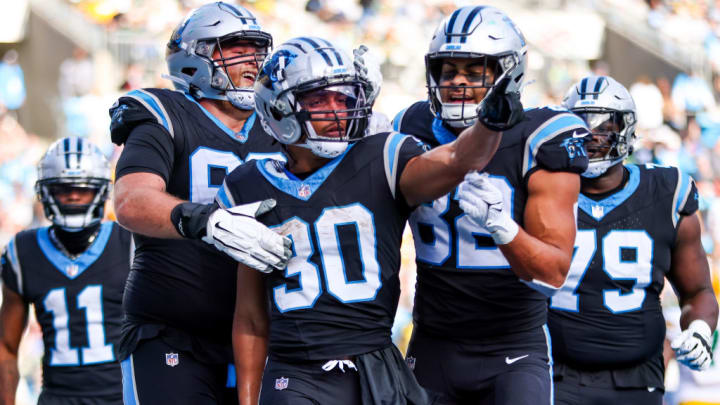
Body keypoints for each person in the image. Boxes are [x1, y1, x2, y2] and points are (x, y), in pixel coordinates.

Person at [222, 35, 522, 405]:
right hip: (297, 372)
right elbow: (250, 318)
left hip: (377, 367)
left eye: (344, 98)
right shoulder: (249, 184)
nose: (336, 111)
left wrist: (490, 124)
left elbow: (458, 160)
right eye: (319, 100)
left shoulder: (382, 157)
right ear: (280, 109)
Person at [392, 6, 590, 405]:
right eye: (448, 71)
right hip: (433, 342)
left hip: (513, 349)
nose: (458, 82)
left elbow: (553, 272)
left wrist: (504, 228)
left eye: (475, 71)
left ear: (508, 74)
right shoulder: (407, 127)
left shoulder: (541, 136)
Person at [108, 3, 288, 404]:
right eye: (235, 48)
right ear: (194, 59)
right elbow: (131, 200)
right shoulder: (165, 115)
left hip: (264, 333)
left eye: (256, 49)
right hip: (173, 332)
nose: (252, 60)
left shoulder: (280, 124)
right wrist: (205, 220)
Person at [544, 75, 718, 405]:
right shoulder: (542, 191)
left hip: (638, 376)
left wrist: (699, 329)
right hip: (556, 373)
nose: (591, 136)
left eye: (603, 125)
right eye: (580, 125)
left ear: (626, 128)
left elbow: (697, 291)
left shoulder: (666, 192)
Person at [0, 137, 131, 405]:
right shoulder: (23, 251)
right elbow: (7, 346)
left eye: (82, 189)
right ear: (46, 192)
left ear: (101, 192)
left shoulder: (130, 242)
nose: (73, 196)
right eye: (63, 189)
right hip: (58, 398)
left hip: (125, 396)